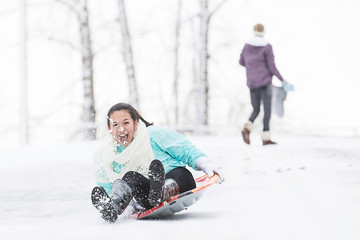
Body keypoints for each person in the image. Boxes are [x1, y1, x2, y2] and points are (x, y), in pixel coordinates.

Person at [91, 103, 224, 222]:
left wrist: (204, 163)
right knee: (130, 177)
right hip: (148, 197)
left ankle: (162, 191)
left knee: (182, 175)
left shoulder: (153, 134)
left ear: (136, 123)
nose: (121, 129)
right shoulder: (108, 155)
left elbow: (183, 149)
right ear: (109, 127)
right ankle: (112, 207)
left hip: (178, 182)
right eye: (115, 124)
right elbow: (110, 185)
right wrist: (129, 205)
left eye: (126, 123)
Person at [239, 23, 293, 145]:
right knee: (267, 111)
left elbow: (241, 62)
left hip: (252, 83)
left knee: (256, 109)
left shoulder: (247, 46)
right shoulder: (267, 47)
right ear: (263, 32)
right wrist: (282, 80)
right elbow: (272, 66)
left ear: (253, 31)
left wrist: (252, 67)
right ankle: (265, 137)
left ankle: (247, 128)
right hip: (264, 83)